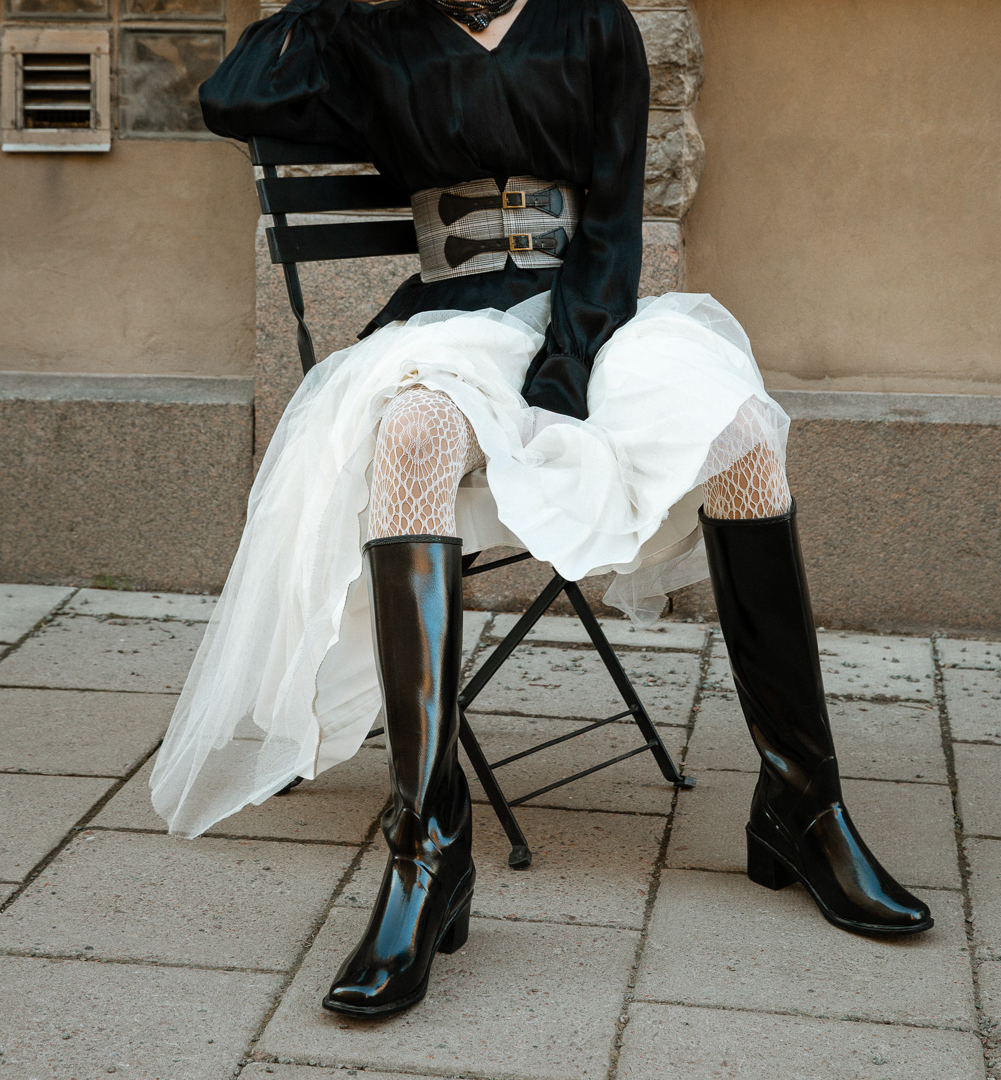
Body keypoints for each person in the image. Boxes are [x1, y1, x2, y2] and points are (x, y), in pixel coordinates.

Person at [150, 0, 933, 1020]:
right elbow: (233, 95)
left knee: (742, 431)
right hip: (452, 323)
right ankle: (430, 848)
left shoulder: (590, 22)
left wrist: (565, 375)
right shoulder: (377, 36)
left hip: (594, 320)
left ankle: (803, 805)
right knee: (412, 434)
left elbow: (614, 213)